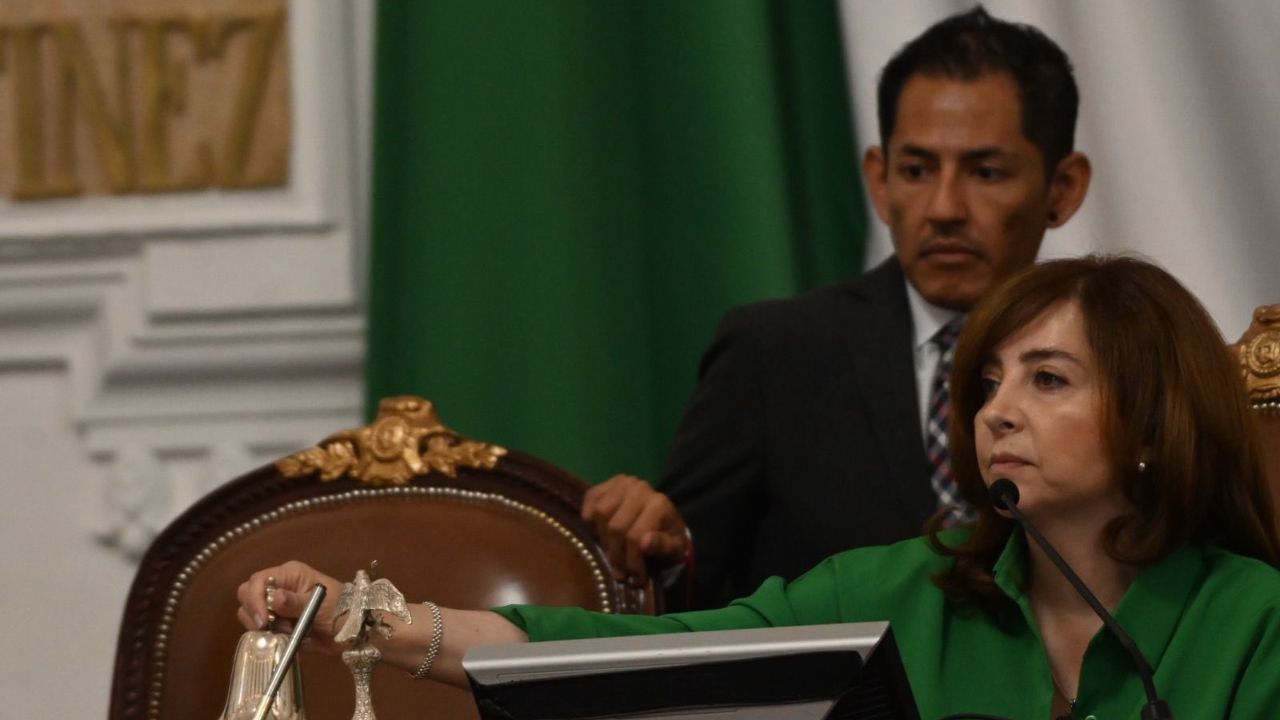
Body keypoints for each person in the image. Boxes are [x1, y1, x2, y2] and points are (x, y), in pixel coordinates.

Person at [239, 256, 1280, 719]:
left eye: (1047, 381)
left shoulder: (1252, 621)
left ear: (1152, 426)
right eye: (988, 383)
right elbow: (631, 661)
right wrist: (363, 618)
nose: (996, 412)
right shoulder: (900, 590)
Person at [581, 6, 1093, 608]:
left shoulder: (1113, 362)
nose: (944, 208)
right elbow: (683, 588)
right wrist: (664, 552)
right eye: (916, 170)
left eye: (985, 172)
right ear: (879, 181)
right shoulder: (774, 354)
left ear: (1062, 188)